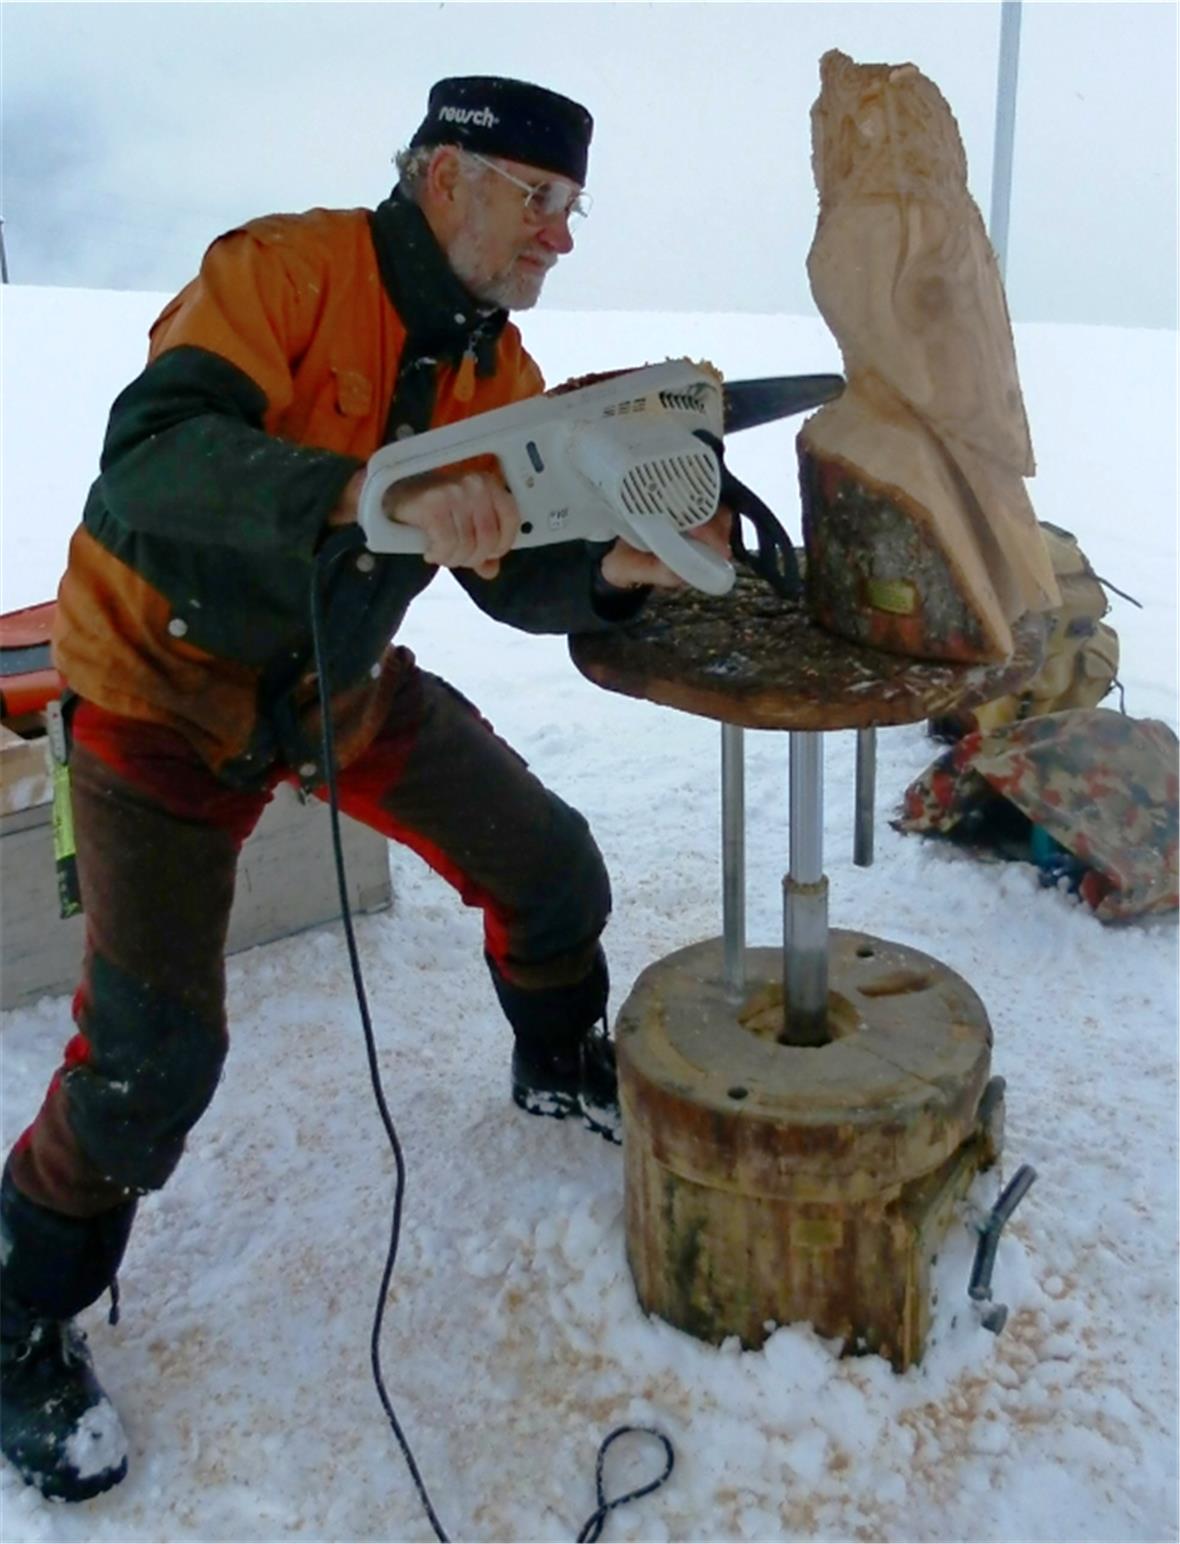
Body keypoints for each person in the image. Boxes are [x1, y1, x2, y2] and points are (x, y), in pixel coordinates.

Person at [0, 75, 731, 1503]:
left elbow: (520, 577)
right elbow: (150, 472)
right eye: (540, 199)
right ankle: (15, 1313)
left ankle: (554, 1057)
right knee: (153, 1069)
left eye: (574, 209)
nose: (560, 236)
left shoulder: (495, 370)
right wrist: (367, 492)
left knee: (552, 869)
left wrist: (617, 569)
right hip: (162, 693)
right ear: (449, 176)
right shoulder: (280, 272)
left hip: (334, 688)